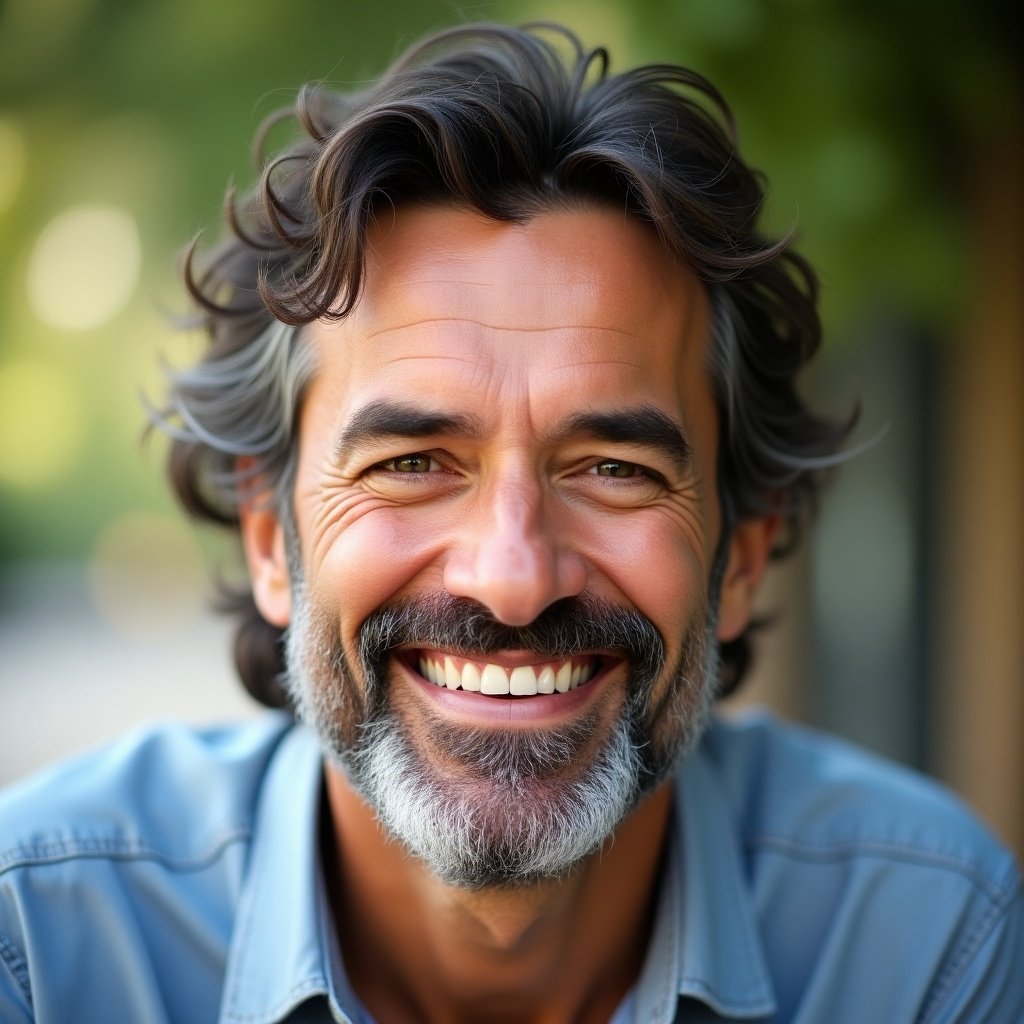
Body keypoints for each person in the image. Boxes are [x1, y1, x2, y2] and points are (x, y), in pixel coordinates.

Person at [0, 22, 1020, 1024]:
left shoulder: (927, 940)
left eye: (613, 469)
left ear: (742, 552)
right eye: (410, 464)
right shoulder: (38, 944)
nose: (514, 577)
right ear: (271, 537)